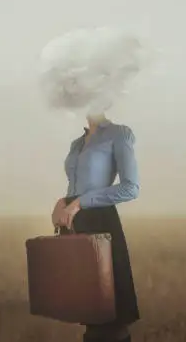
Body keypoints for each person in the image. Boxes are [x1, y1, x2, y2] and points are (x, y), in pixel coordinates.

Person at [52, 113, 140, 342]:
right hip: (76, 224)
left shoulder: (118, 133)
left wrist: (79, 202)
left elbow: (131, 188)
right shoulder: (77, 143)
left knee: (110, 315)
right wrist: (62, 203)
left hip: (101, 223)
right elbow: (76, 185)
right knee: (89, 311)